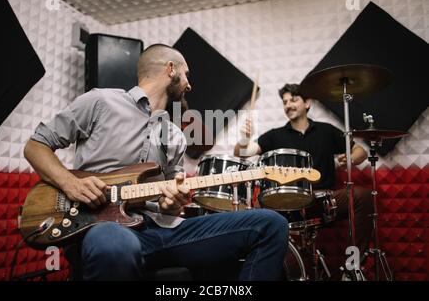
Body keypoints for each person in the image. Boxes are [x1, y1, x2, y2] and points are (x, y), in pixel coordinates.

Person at [23, 44, 289, 281]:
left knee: (271, 224)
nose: (189, 84)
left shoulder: (174, 136)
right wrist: (70, 184)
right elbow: (36, 145)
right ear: (170, 69)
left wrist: (171, 203)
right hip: (102, 228)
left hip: (159, 230)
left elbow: (168, 206)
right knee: (115, 245)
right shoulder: (100, 101)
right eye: (186, 75)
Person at [234, 83, 373, 259]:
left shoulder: (326, 130)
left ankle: (355, 265)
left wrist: (348, 160)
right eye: (284, 102)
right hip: (289, 204)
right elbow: (242, 153)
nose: (288, 105)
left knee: (363, 196)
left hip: (323, 201)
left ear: (307, 103)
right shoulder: (275, 135)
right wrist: (244, 139)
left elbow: (361, 151)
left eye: (293, 100)